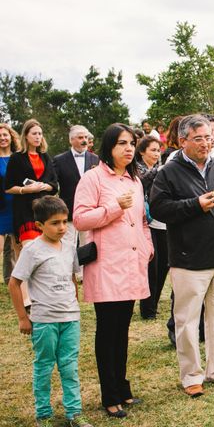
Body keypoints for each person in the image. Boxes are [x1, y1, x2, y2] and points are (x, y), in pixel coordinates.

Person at [150, 114, 214, 398]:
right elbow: (159, 209)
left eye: (209, 138)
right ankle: (191, 375)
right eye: (200, 138)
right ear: (183, 141)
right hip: (188, 259)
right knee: (188, 320)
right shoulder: (169, 172)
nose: (206, 143)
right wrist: (195, 205)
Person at [73, 123, 153, 418]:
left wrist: (147, 246)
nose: (129, 148)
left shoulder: (135, 180)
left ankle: (122, 387)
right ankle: (110, 394)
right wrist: (113, 208)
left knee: (123, 328)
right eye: (122, 143)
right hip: (107, 266)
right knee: (108, 330)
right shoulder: (93, 178)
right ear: (109, 147)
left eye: (132, 143)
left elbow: (143, 219)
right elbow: (80, 219)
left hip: (132, 264)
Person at [8, 196, 93, 427]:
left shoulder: (68, 247)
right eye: (55, 223)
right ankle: (43, 415)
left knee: (70, 365)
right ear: (39, 225)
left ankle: (74, 413)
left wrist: (73, 304)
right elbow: (14, 283)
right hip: (44, 320)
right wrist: (23, 318)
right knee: (44, 366)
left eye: (65, 221)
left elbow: (71, 278)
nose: (62, 227)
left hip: (70, 318)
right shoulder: (32, 250)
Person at [4, 119, 59, 249]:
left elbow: (54, 183)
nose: (38, 137)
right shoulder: (16, 158)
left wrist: (45, 186)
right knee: (30, 250)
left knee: (45, 252)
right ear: (26, 136)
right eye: (34, 133)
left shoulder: (45, 156)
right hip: (24, 211)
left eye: (40, 133)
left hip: (44, 211)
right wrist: (25, 190)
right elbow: (8, 187)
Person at [53, 125, 99, 253]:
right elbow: (53, 183)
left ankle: (84, 273)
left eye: (85, 137)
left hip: (89, 209)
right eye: (80, 137)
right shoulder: (59, 160)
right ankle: (68, 273)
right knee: (67, 246)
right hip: (68, 209)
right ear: (71, 140)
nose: (84, 140)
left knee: (87, 246)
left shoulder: (95, 159)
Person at [135, 135, 167, 320]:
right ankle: (147, 308)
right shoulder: (136, 170)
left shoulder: (157, 169)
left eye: (158, 150)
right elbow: (143, 182)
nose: (156, 154)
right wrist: (161, 171)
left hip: (161, 221)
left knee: (164, 264)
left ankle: (153, 303)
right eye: (153, 150)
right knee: (151, 266)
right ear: (142, 152)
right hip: (144, 223)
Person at [0, 123, 20, 284]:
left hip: (16, 206)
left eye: (5, 135)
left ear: (11, 137)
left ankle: (17, 280)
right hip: (1, 209)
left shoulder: (18, 157)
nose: (2, 138)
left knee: (17, 247)